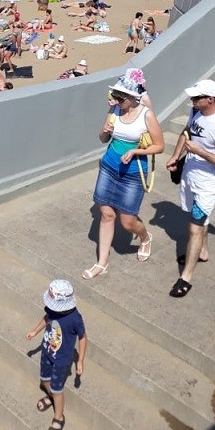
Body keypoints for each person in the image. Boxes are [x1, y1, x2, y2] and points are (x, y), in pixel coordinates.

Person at [83, 68, 164, 280]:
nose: (115, 100)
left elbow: (159, 146)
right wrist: (105, 132)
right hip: (109, 167)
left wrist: (135, 150)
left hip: (133, 173)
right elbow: (102, 139)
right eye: (114, 96)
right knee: (107, 214)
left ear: (132, 97)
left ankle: (145, 237)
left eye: (120, 97)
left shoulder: (147, 115)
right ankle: (102, 262)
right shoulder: (114, 111)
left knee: (127, 222)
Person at [166, 80, 215, 298]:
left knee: (194, 228)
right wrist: (175, 156)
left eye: (197, 98)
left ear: (210, 99)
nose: (192, 100)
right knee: (197, 220)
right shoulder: (196, 112)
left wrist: (201, 152)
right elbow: (186, 133)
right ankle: (202, 252)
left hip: (207, 183)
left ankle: (185, 277)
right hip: (189, 175)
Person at [24, 279, 86, 430]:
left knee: (57, 390)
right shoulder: (52, 310)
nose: (51, 309)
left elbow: (83, 337)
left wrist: (79, 360)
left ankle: (59, 417)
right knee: (45, 381)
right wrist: (35, 331)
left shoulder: (75, 318)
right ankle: (50, 397)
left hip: (61, 360)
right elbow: (46, 318)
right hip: (47, 352)